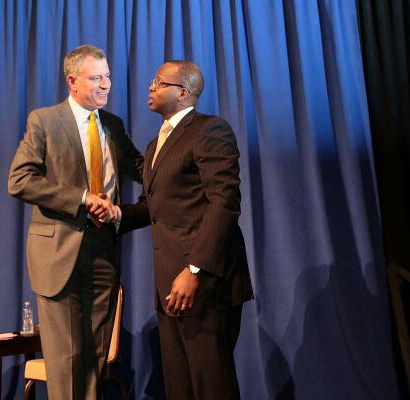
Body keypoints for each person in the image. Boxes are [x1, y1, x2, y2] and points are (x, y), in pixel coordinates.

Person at [7, 45, 143, 400]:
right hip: (59, 254)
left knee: (96, 359)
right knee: (66, 360)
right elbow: (19, 180)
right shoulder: (45, 121)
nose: (106, 85)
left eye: (108, 76)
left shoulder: (113, 125)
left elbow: (145, 170)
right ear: (72, 81)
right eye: (96, 78)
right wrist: (81, 198)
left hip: (104, 250)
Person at [113, 61, 253, 399]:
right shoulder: (155, 146)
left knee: (211, 386)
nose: (150, 87)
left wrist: (195, 270)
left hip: (203, 284)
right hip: (168, 286)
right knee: (180, 388)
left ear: (182, 93)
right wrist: (114, 215)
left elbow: (224, 203)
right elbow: (152, 208)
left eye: (159, 82)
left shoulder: (209, 130)